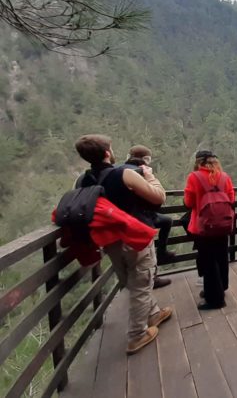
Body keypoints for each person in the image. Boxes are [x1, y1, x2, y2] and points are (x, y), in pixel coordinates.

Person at [74, 134, 172, 355]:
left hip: (109, 241)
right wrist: (150, 176)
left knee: (132, 279)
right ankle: (137, 334)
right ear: (108, 152)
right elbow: (158, 197)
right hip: (134, 236)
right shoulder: (124, 174)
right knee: (142, 278)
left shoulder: (82, 181)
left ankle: (153, 313)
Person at [184, 150, 236, 310]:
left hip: (203, 226)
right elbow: (232, 199)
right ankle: (221, 287)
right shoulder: (224, 177)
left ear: (199, 162)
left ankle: (215, 299)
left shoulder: (194, 177)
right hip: (223, 224)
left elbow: (189, 202)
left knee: (208, 261)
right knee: (221, 256)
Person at [122, 145, 174, 289]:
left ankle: (161, 255)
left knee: (167, 221)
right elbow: (158, 196)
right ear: (146, 159)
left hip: (136, 216)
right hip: (140, 217)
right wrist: (151, 177)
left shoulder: (121, 170)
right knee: (145, 253)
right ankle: (152, 277)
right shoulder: (139, 172)